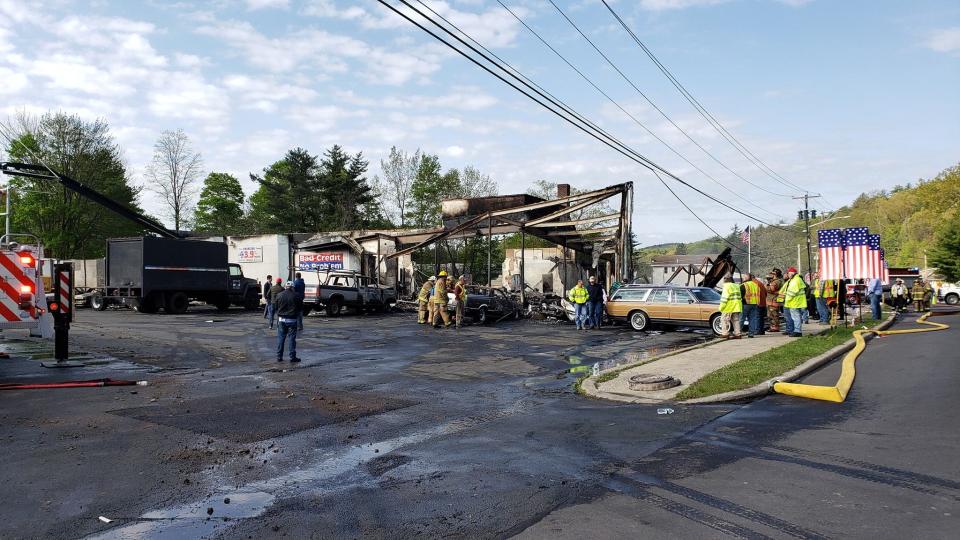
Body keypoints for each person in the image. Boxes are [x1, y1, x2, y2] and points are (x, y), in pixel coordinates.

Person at [273, 281, 302, 363]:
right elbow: (300, 309)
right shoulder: (296, 295)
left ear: (285, 287)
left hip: (281, 320)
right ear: (292, 287)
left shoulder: (279, 295)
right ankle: (292, 357)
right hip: (292, 320)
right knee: (292, 339)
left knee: (281, 338)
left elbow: (276, 307)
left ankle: (279, 356)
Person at [782, 267, 807, 337]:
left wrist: (786, 299)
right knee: (796, 317)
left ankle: (797, 331)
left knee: (796, 317)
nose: (788, 275)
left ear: (792, 273)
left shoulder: (795, 280)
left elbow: (792, 292)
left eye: (789, 273)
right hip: (796, 302)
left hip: (794, 302)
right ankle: (797, 330)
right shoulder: (797, 279)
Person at [719, 275, 742, 339]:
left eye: (724, 279)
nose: (723, 280)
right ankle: (738, 334)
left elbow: (724, 298)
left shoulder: (726, 286)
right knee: (736, 320)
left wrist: (721, 307)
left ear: (726, 280)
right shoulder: (737, 286)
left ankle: (725, 334)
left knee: (724, 320)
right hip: (737, 306)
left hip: (729, 307)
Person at [741, 273, 760, 338]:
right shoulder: (756, 285)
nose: (743, 278)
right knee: (752, 319)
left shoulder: (744, 285)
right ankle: (751, 333)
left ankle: (738, 332)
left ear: (747, 278)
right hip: (754, 303)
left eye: (744, 277)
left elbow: (741, 295)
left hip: (745, 304)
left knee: (742, 318)